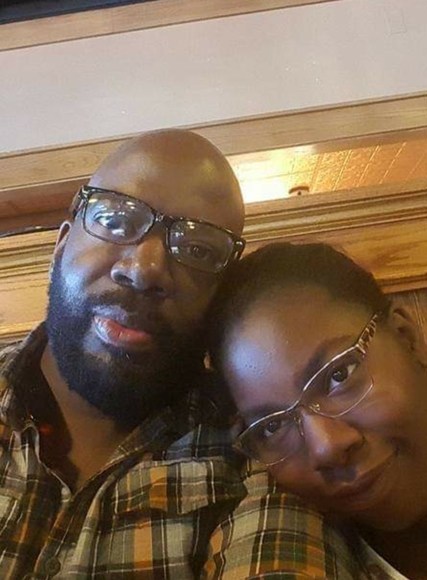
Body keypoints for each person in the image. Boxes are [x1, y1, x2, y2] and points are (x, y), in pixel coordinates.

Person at [0, 132, 365, 579]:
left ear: (220, 295)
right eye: (116, 221)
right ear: (61, 244)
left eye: (197, 250)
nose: (145, 270)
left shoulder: (260, 457)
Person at [207, 242, 427, 580]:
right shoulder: (316, 561)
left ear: (406, 338)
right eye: (272, 427)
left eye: (339, 375)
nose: (326, 446)